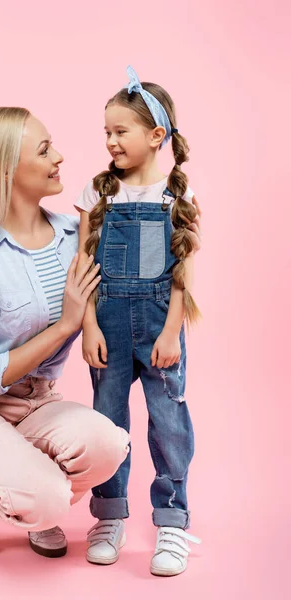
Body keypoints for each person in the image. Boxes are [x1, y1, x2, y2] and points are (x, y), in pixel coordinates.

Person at [0, 106, 131, 559]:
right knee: (47, 502)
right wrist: (65, 324)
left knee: (109, 445)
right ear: (7, 169)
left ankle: (21, 481)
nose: (59, 156)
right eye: (44, 150)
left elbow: (139, 251)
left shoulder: (72, 236)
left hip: (35, 400)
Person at [75, 66, 202, 576]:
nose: (110, 140)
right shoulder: (98, 193)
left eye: (120, 131)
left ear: (156, 136)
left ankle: (172, 522)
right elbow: (83, 264)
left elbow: (182, 274)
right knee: (108, 422)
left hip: (158, 330)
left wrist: (172, 331)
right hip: (107, 325)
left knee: (168, 423)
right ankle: (109, 515)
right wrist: (88, 324)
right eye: (106, 131)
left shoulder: (177, 199)